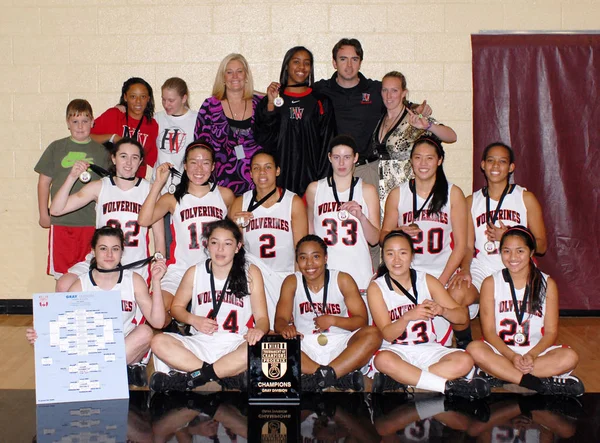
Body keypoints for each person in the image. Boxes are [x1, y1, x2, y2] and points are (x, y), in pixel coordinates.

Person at [26, 226, 167, 387]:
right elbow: (61, 325)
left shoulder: (133, 280)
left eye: (115, 249)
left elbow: (157, 322)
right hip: (92, 349)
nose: (109, 254)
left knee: (145, 332)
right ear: (93, 251)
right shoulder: (81, 284)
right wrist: (39, 334)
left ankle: (101, 371)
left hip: (125, 346)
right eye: (103, 248)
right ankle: (116, 370)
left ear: (122, 252)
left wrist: (156, 281)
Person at [149, 219, 270, 392]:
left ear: (237, 247)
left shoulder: (250, 272)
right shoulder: (195, 271)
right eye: (215, 242)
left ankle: (194, 379)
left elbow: (263, 319)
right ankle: (222, 377)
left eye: (227, 244)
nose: (220, 249)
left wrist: (258, 330)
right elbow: (176, 309)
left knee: (261, 347)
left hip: (235, 344)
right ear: (207, 245)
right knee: (158, 341)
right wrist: (194, 320)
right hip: (200, 343)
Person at [367, 231, 489, 399]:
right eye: (390, 254)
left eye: (402, 253)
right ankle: (446, 386)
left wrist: (443, 310)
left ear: (411, 255)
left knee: (465, 361)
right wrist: (407, 317)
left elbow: (462, 317)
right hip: (397, 351)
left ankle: (403, 380)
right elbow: (387, 334)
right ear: (383, 257)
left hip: (429, 350)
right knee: (383, 360)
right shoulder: (376, 288)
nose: (396, 260)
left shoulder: (427, 280)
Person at [448, 142, 547, 346]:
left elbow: (542, 245)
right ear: (483, 165)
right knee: (456, 293)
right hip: (483, 266)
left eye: (502, 161)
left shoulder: (525, 198)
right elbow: (467, 246)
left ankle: (517, 344)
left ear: (511, 167)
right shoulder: (471, 201)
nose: (496, 166)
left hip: (517, 266)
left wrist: (510, 236)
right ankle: (465, 344)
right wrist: (464, 269)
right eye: (491, 160)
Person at [466, 226, 584, 397]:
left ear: (531, 252)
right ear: (500, 252)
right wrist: (512, 356)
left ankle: (502, 376)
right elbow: (489, 332)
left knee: (569, 357)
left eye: (520, 251)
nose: (513, 257)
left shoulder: (547, 284)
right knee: (474, 348)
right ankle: (538, 383)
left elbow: (551, 332)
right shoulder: (490, 283)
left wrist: (531, 355)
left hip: (535, 354)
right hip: (502, 353)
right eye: (506, 251)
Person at [380, 137, 468, 347]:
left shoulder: (453, 193)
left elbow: (461, 245)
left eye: (429, 158)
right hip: (406, 272)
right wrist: (397, 232)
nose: (423, 163)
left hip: (442, 270)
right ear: (411, 161)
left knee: (457, 295)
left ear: (439, 160)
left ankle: (466, 343)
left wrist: (441, 282)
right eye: (418, 158)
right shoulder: (398, 194)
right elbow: (382, 237)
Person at [313, 38, 431, 188]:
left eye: (354, 59)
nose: (349, 65)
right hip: (333, 170)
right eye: (343, 59)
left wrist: (416, 108)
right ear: (334, 63)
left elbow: (397, 101)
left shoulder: (375, 90)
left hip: (367, 170)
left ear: (360, 63)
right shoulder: (320, 89)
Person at [50, 138, 165, 291]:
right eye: (123, 156)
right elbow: (56, 210)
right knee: (64, 284)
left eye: (134, 157)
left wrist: (159, 263)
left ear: (140, 161)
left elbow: (159, 236)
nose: (128, 163)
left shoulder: (150, 190)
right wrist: (72, 177)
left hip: (134, 263)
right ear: (113, 158)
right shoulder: (100, 186)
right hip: (100, 261)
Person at [138, 141, 234, 321]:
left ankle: (185, 323)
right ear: (185, 165)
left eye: (205, 162)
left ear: (213, 166)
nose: (199, 168)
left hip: (214, 269)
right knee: (156, 314)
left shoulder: (225, 195)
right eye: (193, 162)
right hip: (179, 270)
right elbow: (143, 220)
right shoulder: (172, 198)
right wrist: (158, 183)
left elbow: (236, 234)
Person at [274, 235, 382, 392]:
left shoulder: (342, 279)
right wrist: (285, 327)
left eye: (316, 257)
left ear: (325, 258)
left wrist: (333, 320)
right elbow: (279, 320)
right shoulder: (292, 281)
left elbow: (362, 321)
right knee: (272, 342)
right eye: (303, 258)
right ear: (297, 261)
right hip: (305, 346)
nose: (309, 263)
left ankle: (317, 378)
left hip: (341, 345)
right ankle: (334, 377)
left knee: (374, 333)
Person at [34, 99, 110, 284]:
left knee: (88, 273)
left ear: (92, 122)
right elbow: (44, 183)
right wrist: (44, 213)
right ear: (68, 123)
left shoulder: (101, 152)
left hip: (91, 223)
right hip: (62, 223)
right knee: (62, 274)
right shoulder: (57, 147)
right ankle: (62, 311)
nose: (80, 126)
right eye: (75, 121)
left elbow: (108, 188)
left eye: (85, 121)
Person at [229, 151, 307, 323]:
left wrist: (299, 286)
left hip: (284, 277)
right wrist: (234, 227)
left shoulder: (293, 202)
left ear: (277, 171)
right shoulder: (240, 203)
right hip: (253, 278)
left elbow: (301, 250)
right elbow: (230, 249)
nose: (262, 173)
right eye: (256, 168)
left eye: (268, 167)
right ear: (250, 173)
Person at [254, 46, 336, 196]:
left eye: (306, 63)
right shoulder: (271, 100)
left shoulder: (321, 102)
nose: (301, 67)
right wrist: (271, 105)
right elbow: (263, 139)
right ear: (287, 65)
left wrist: (322, 183)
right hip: (278, 182)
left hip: (311, 183)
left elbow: (327, 145)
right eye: (296, 62)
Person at [305, 135, 380, 297]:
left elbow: (375, 239)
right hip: (325, 272)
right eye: (337, 157)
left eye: (347, 157)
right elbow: (309, 234)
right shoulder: (315, 189)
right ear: (329, 157)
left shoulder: (367, 190)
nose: (341, 163)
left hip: (358, 271)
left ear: (356, 158)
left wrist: (361, 217)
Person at [372, 71, 457, 209]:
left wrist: (428, 125)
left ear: (404, 93)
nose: (389, 96)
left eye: (394, 90)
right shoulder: (380, 118)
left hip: (406, 190)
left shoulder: (413, 117)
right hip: (381, 190)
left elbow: (452, 136)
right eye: (385, 90)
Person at [195, 54, 263, 195]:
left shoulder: (260, 104)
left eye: (239, 71)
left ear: (246, 75)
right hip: (219, 188)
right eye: (229, 72)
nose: (235, 76)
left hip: (257, 186)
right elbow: (200, 147)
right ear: (223, 77)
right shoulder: (210, 106)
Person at [91, 77, 158, 178]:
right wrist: (112, 137)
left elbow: (153, 159)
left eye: (143, 96)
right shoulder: (114, 115)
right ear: (125, 97)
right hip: (109, 180)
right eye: (133, 96)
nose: (138, 101)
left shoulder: (152, 125)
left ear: (148, 99)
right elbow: (85, 138)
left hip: (135, 184)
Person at [155, 77, 198, 194]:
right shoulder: (157, 118)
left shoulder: (196, 119)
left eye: (171, 100)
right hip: (159, 188)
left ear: (184, 98)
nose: (166, 104)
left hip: (185, 188)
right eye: (163, 100)